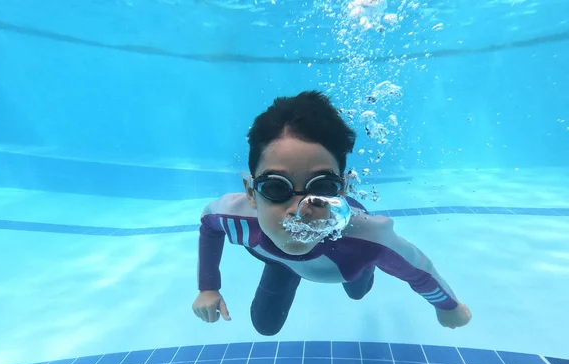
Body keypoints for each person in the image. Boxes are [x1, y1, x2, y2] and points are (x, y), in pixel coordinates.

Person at [192, 90, 472, 335]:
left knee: (358, 292)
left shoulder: (367, 238)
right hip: (279, 261)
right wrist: (208, 287)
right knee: (265, 326)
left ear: (343, 190)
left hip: (348, 263)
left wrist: (448, 307)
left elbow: (420, 272)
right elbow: (209, 225)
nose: (299, 211)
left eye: (322, 187)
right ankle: (289, 264)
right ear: (251, 193)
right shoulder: (236, 217)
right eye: (276, 188)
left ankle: (364, 271)